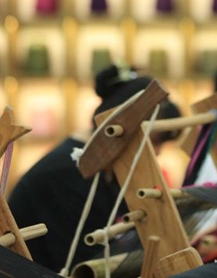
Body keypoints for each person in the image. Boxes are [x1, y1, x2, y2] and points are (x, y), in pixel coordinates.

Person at [8, 64, 182, 273]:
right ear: (120, 129)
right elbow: (81, 265)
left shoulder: (106, 170)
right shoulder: (67, 174)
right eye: (154, 141)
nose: (158, 152)